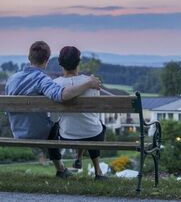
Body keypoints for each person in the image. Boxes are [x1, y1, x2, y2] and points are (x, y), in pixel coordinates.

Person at [5, 41, 101, 178]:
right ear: (47, 60)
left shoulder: (12, 79)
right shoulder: (42, 80)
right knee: (55, 124)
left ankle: (62, 168)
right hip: (38, 132)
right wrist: (89, 83)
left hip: (18, 132)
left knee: (54, 121)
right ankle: (61, 169)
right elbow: (63, 95)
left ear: (29, 58)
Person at [53, 46, 107, 180]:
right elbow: (95, 112)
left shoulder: (54, 84)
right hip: (93, 134)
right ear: (78, 62)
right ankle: (98, 172)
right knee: (95, 125)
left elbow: (54, 118)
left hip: (67, 134)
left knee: (76, 123)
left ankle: (78, 158)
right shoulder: (92, 82)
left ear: (60, 63)